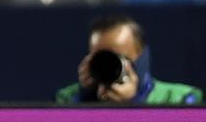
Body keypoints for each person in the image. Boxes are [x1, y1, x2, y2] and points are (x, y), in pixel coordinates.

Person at [56, 14, 202, 104]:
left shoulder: (181, 99)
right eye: (100, 59)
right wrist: (86, 102)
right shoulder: (68, 99)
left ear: (142, 58)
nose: (109, 67)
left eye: (119, 58)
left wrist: (133, 105)